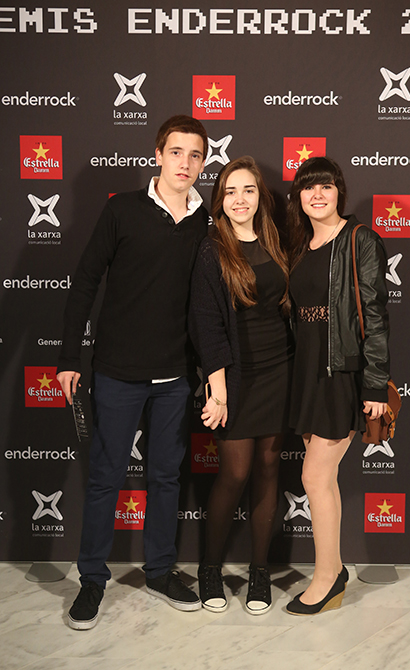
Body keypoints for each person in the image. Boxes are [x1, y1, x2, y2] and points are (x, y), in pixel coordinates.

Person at [57, 115, 209, 629]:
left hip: (175, 377)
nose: (184, 163)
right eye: (176, 152)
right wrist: (68, 359)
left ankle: (160, 571)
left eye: (194, 155)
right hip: (117, 373)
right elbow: (85, 282)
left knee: (166, 478)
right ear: (158, 155)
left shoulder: (206, 221)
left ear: (202, 163)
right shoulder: (122, 209)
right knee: (105, 478)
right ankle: (92, 581)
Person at [189, 156, 294, 615]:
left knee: (269, 468)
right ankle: (209, 568)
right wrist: (218, 390)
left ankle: (260, 572)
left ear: (260, 196)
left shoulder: (278, 242)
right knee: (234, 473)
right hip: (234, 376)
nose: (239, 199)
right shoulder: (212, 249)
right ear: (220, 200)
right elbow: (206, 324)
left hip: (280, 371)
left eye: (248, 190)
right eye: (230, 191)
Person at [285, 156, 390, 615]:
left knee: (314, 476)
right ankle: (335, 569)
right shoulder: (299, 246)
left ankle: (327, 578)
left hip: (341, 373)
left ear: (338, 191)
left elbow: (375, 315)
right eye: (309, 187)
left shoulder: (360, 239)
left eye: (325, 185)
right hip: (306, 372)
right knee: (323, 479)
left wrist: (375, 385)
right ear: (299, 196)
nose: (317, 194)